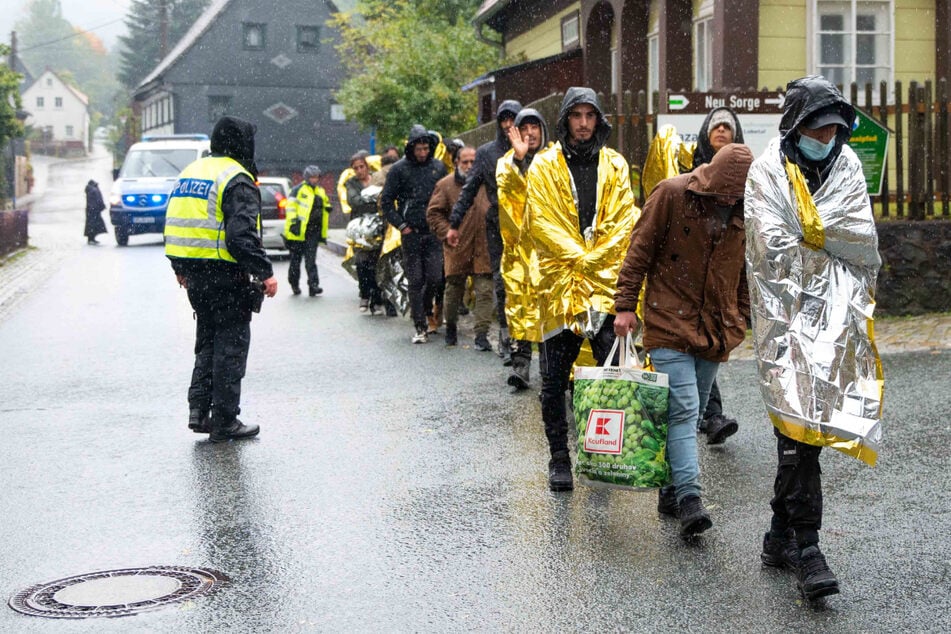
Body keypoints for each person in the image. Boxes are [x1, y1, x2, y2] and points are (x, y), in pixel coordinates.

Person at [746, 75, 883, 601]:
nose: (826, 140)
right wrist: (822, 241)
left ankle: (778, 536)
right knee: (796, 433)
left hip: (835, 321)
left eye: (834, 130)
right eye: (817, 129)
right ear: (796, 127)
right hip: (784, 322)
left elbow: (860, 237)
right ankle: (809, 549)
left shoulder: (846, 167)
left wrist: (814, 234)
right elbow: (770, 250)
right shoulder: (766, 173)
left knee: (808, 434)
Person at [613, 143, 754, 537]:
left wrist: (739, 317)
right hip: (668, 318)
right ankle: (691, 499)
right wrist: (625, 305)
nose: (729, 199)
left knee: (689, 414)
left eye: (738, 193)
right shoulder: (672, 194)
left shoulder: (748, 210)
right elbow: (638, 251)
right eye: (726, 190)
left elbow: (745, 270)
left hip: (715, 328)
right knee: (685, 408)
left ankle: (671, 488)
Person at [524, 88, 638, 491]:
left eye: (591, 115)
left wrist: (596, 260)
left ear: (599, 119)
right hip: (558, 286)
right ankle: (559, 458)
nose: (584, 123)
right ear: (565, 119)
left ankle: (597, 451)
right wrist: (580, 255)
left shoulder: (615, 165)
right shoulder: (543, 166)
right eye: (577, 115)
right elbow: (540, 221)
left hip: (604, 286)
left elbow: (626, 219)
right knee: (554, 379)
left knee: (609, 375)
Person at [164, 115, 277, 442]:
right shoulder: (236, 178)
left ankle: (199, 412)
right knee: (231, 346)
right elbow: (240, 238)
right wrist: (265, 272)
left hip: (194, 276)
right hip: (226, 275)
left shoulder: (191, 172)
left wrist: (179, 267)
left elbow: (174, 222)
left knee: (208, 342)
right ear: (242, 143)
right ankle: (226, 420)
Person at [643, 107, 746, 446]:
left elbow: (743, 264)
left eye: (727, 128)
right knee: (686, 395)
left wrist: (740, 314)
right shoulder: (684, 184)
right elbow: (644, 247)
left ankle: (705, 420)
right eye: (715, 126)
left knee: (697, 378)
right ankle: (684, 487)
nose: (721, 132)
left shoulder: (744, 198)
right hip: (679, 297)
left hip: (715, 303)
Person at [447, 99, 522, 363]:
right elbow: (468, 189)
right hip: (498, 222)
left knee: (527, 282)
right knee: (501, 281)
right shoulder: (488, 153)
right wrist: (454, 223)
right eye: (504, 119)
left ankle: (525, 337)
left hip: (528, 224)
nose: (508, 124)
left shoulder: (532, 150)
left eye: (512, 119)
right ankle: (505, 333)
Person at [496, 107, 551, 389]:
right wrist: (519, 160)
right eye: (524, 128)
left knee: (549, 309)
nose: (529, 134)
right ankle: (521, 365)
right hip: (520, 251)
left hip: (549, 250)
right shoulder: (506, 163)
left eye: (534, 128)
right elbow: (507, 192)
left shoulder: (555, 159)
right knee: (520, 306)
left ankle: (550, 369)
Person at [380, 125, 448, 343]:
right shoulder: (399, 170)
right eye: (418, 149)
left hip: (434, 232)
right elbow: (387, 202)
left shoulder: (438, 168)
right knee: (416, 280)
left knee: (436, 278)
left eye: (426, 148)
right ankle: (419, 324)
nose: (422, 153)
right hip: (411, 233)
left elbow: (448, 195)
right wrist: (401, 225)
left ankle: (427, 311)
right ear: (411, 148)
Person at [426, 145, 493, 348]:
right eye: (465, 162)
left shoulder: (489, 182)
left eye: (473, 161)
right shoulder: (445, 185)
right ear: (457, 163)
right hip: (457, 246)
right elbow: (434, 213)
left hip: (484, 244)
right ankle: (451, 327)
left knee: (485, 290)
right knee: (454, 290)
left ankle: (481, 335)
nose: (470, 165)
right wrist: (447, 232)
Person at [344, 151, 383, 312]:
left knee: (377, 263)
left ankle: (377, 297)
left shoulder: (376, 179)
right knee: (361, 262)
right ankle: (365, 294)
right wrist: (372, 199)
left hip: (378, 227)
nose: (360, 170)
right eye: (356, 168)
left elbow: (384, 198)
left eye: (362, 167)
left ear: (367, 167)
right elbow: (354, 201)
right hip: (360, 230)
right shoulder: (351, 183)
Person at [283, 165, 330, 296]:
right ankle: (294, 284)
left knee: (311, 260)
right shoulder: (297, 190)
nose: (315, 180)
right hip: (298, 232)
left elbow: (324, 206)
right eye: (312, 177)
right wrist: (293, 223)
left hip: (313, 232)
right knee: (295, 261)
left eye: (316, 177)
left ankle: (313, 285)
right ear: (307, 178)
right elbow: (290, 207)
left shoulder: (320, 191)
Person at [83, 179, 107, 244]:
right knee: (94, 225)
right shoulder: (94, 190)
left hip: (91, 210)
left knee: (91, 225)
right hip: (94, 210)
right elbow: (98, 199)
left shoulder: (90, 190)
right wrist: (101, 206)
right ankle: (91, 239)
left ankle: (91, 238)